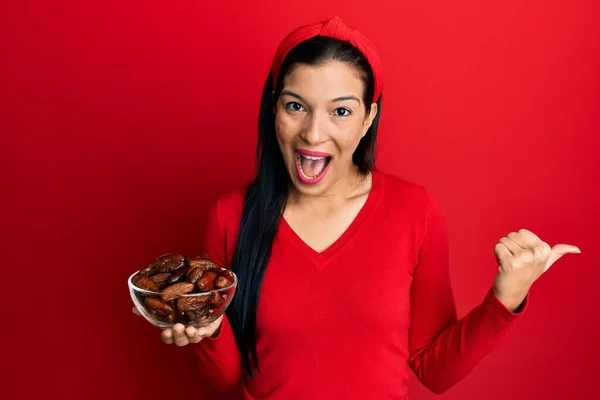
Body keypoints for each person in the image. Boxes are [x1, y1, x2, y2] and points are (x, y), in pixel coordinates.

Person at [136, 16, 581, 399]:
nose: (313, 133)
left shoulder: (415, 212)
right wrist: (207, 330)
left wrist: (507, 296)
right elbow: (227, 376)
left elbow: (434, 370)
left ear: (369, 118)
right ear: (274, 109)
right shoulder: (229, 216)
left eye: (341, 112)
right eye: (296, 106)